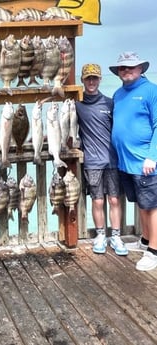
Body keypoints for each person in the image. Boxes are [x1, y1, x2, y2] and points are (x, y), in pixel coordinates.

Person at [110, 51, 157, 271]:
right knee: (141, 203)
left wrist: (152, 156)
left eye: (131, 67)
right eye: (122, 68)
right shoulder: (118, 94)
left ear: (140, 69)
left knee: (152, 207)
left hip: (144, 162)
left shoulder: (151, 91)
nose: (126, 71)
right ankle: (145, 240)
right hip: (125, 163)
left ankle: (154, 251)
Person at [76, 64, 128, 256]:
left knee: (114, 199)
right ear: (82, 80)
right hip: (92, 162)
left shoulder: (110, 103)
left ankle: (115, 235)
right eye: (88, 78)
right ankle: (100, 235)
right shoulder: (77, 104)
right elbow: (65, 125)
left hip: (113, 161)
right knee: (97, 201)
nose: (91, 82)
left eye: (94, 78)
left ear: (100, 80)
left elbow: (122, 128)